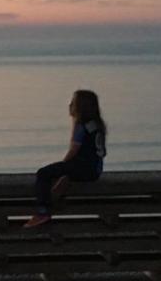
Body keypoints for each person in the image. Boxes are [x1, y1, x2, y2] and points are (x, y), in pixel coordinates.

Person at [24, 90, 107, 228]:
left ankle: (42, 212)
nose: (69, 105)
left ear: (80, 106)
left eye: (73, 102)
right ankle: (58, 192)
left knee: (43, 173)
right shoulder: (96, 125)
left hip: (83, 168)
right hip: (95, 170)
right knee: (64, 177)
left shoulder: (81, 125)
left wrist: (62, 166)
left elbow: (73, 151)